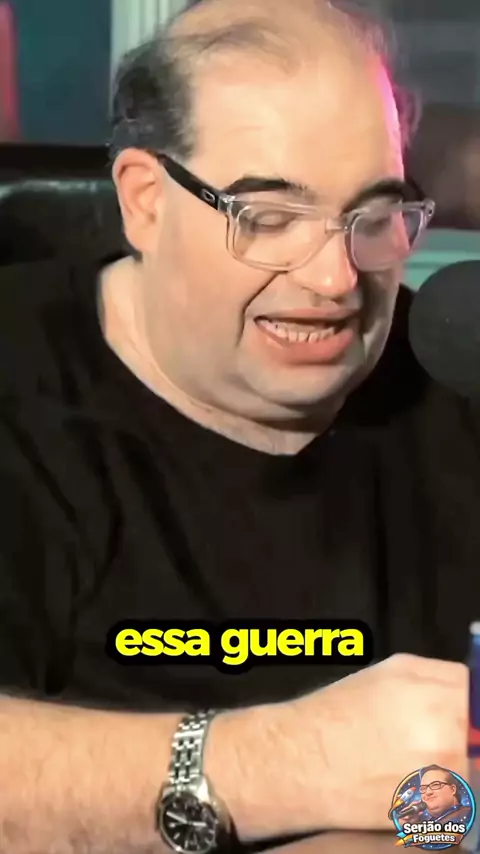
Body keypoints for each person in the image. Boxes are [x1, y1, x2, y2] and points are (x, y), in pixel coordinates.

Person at [0, 0, 476, 851]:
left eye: (373, 217)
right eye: (269, 217)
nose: (334, 280)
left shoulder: (455, 376)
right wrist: (282, 764)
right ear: (146, 201)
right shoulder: (18, 383)